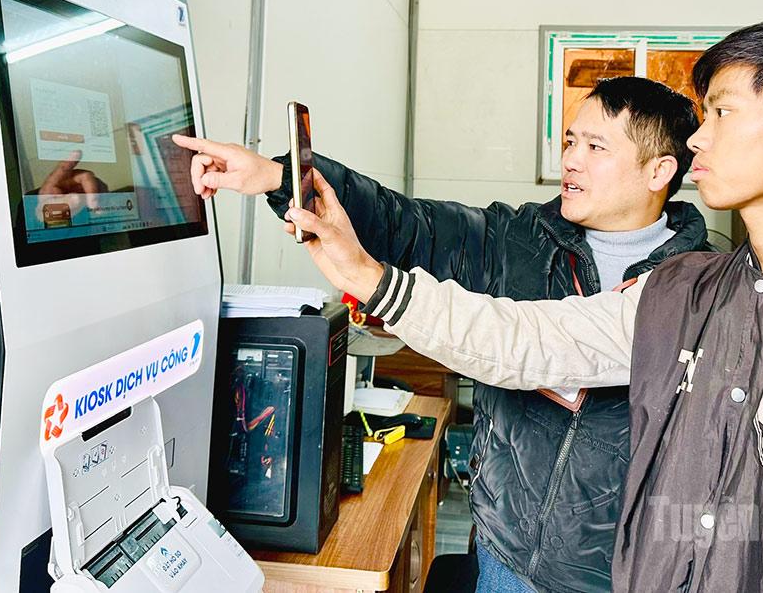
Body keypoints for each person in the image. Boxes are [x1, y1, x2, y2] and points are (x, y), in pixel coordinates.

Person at [283, 19, 763, 592]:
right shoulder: (686, 291)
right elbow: (524, 339)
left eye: (724, 112)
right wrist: (369, 277)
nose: (699, 135)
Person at [173, 77, 709, 592]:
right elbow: (401, 221)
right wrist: (277, 175)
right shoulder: (517, 239)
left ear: (659, 170)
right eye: (570, 140)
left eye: (596, 146)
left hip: (624, 574)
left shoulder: (702, 289)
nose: (570, 159)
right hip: (508, 556)